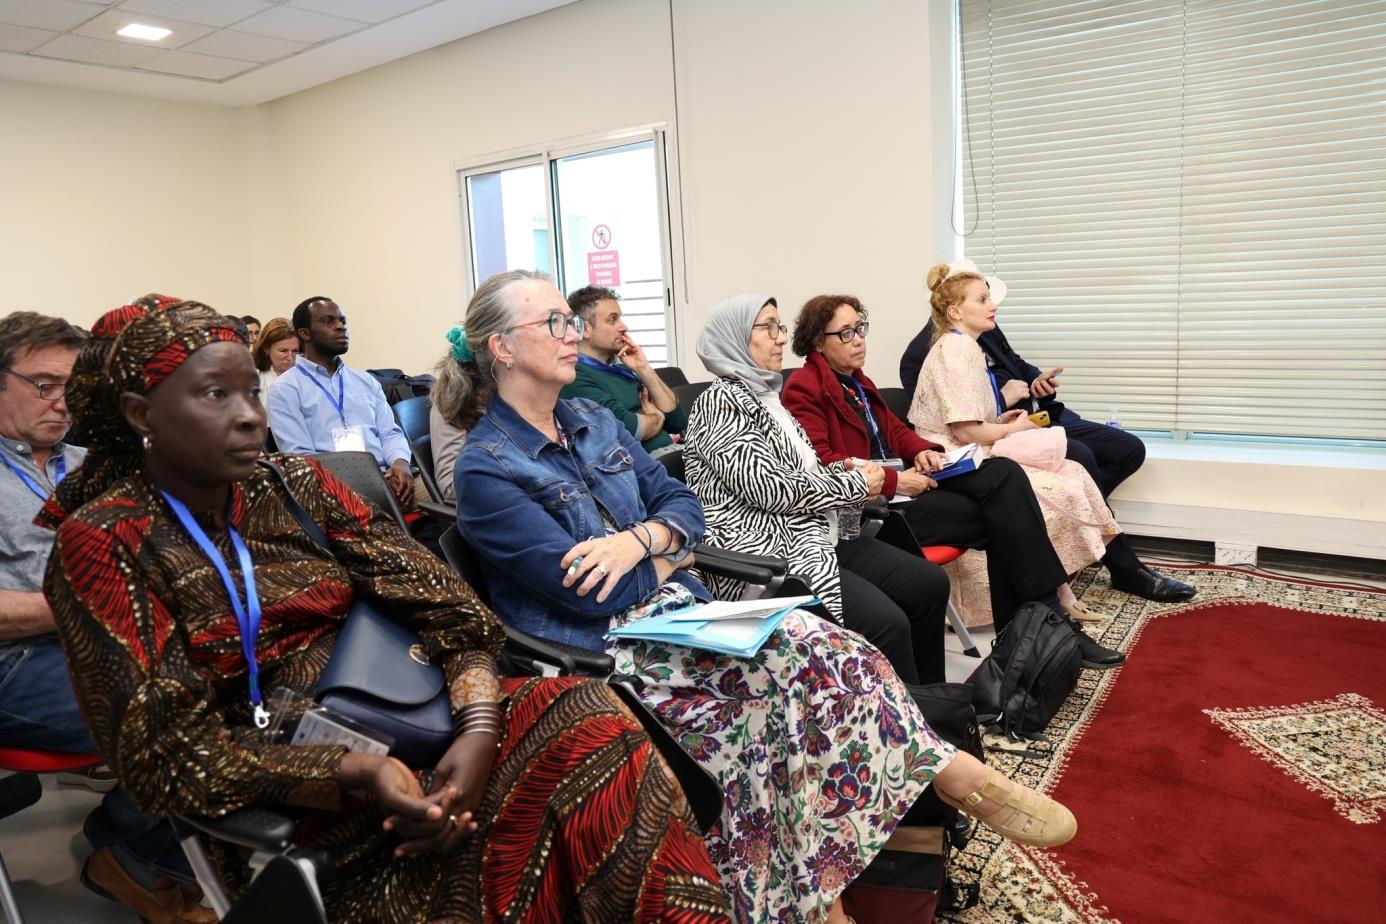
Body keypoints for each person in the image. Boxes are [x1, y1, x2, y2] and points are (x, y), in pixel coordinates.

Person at [38, 299, 733, 923]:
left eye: (251, 391)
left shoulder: (298, 485)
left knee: (589, 714)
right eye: (215, 395)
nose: (251, 414)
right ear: (140, 415)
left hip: (421, 722)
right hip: (297, 792)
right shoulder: (104, 542)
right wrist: (356, 771)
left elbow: (455, 612)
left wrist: (479, 731)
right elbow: (164, 759)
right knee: (554, 828)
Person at [447, 270, 1075, 924]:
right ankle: (825, 898)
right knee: (764, 710)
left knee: (827, 646)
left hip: (678, 615)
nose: (571, 333)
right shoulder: (487, 467)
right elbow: (581, 593)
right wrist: (669, 555)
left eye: (568, 319)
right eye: (553, 322)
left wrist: (643, 543)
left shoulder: (591, 422)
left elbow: (681, 502)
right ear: (501, 347)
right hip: (603, 651)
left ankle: (940, 775)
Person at [0, 306, 215, 924]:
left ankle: (138, 855)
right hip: (18, 663)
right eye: (45, 385)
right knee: (175, 711)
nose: (63, 403)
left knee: (242, 677)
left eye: (75, 388)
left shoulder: (96, 461)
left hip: (115, 642)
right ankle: (132, 858)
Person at [781, 294, 1109, 644]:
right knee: (1002, 514)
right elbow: (821, 462)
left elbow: (895, 430)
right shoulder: (805, 386)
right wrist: (895, 481)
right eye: (845, 333)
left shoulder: (857, 380)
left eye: (860, 328)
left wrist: (925, 450)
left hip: (899, 490)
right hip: (868, 508)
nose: (859, 338)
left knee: (1003, 475)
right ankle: (1039, 632)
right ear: (818, 341)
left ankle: (1034, 634)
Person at [683, 294, 954, 684]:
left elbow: (803, 468)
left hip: (814, 532)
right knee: (888, 624)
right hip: (768, 551)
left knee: (929, 585)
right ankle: (906, 733)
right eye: (767, 328)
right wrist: (855, 482)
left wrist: (845, 472)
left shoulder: (766, 395)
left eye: (781, 327)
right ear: (735, 338)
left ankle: (936, 706)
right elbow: (770, 488)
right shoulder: (721, 402)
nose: (780, 339)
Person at [899, 261, 1194, 602]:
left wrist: (1031, 389)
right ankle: (1115, 567)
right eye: (982, 298)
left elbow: (1014, 370)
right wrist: (1009, 420)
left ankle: (1089, 548)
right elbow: (961, 428)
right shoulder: (947, 349)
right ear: (954, 307)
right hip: (969, 453)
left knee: (1118, 454)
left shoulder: (976, 337)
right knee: (1075, 467)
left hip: (1013, 423)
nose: (992, 305)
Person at [267, 296, 413, 509]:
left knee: (455, 502)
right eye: (328, 322)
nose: (340, 327)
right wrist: (372, 483)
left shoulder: (365, 381)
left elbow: (390, 433)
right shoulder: (285, 389)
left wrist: (400, 463)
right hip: (336, 492)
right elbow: (301, 459)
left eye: (343, 321)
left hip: (389, 479)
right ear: (304, 333)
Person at [560, 286, 685, 456]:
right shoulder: (576, 375)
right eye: (613, 320)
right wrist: (657, 418)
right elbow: (628, 430)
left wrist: (644, 369)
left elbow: (677, 422)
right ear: (585, 329)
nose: (623, 327)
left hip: (672, 455)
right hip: (642, 469)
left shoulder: (621, 369)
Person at [249, 316, 298, 396]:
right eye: (283, 351)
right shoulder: (254, 379)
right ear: (266, 348)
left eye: (295, 351)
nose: (290, 358)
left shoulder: (305, 377)